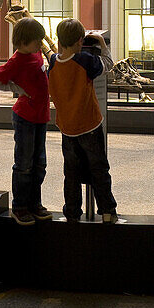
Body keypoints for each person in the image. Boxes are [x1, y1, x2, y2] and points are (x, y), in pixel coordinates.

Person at [48, 19, 117, 223]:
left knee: (71, 173)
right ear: (80, 41)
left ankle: (72, 213)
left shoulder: (52, 61)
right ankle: (107, 211)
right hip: (90, 126)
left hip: (67, 128)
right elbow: (108, 65)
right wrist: (103, 45)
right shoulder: (85, 60)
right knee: (99, 170)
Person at [0, 17, 50, 226]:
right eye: (36, 41)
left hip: (40, 115)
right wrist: (18, 90)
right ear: (22, 42)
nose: (40, 44)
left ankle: (34, 202)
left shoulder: (35, 52)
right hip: (25, 117)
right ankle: (20, 206)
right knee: (24, 164)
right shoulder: (16, 60)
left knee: (39, 163)